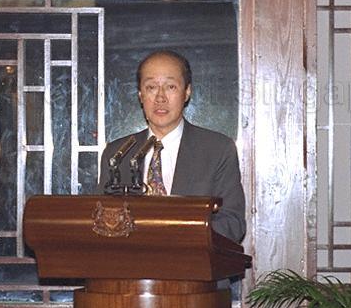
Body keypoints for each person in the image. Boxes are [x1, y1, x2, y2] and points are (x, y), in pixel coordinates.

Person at [98, 49, 246, 243]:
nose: (160, 97)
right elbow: (100, 219)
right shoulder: (118, 153)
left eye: (170, 87)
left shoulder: (217, 149)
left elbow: (232, 224)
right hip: (130, 268)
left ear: (187, 92)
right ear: (140, 94)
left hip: (193, 268)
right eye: (151, 87)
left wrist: (173, 235)